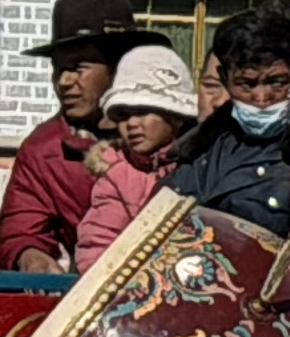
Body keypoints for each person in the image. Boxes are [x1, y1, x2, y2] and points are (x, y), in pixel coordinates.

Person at [0, 0, 167, 269]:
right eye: (59, 69)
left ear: (120, 68)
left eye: (78, 68)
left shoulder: (174, 132)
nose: (64, 81)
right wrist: (30, 256)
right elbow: (21, 227)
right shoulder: (45, 149)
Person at [164, 10, 290, 244]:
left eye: (276, 82)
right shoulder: (199, 149)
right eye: (246, 84)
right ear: (224, 78)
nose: (261, 98)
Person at [72, 45, 203, 269]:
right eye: (123, 115)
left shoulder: (201, 165)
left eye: (142, 112)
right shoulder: (117, 174)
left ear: (175, 117)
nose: (132, 124)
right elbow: (99, 239)